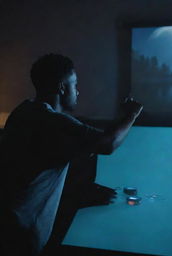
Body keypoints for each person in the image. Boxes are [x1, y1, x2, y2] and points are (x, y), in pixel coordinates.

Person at [0, 53, 143, 256]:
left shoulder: (23, 111)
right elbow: (108, 143)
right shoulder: (53, 123)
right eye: (74, 84)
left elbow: (42, 161)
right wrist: (132, 114)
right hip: (20, 236)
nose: (77, 91)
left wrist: (80, 195)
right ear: (61, 87)